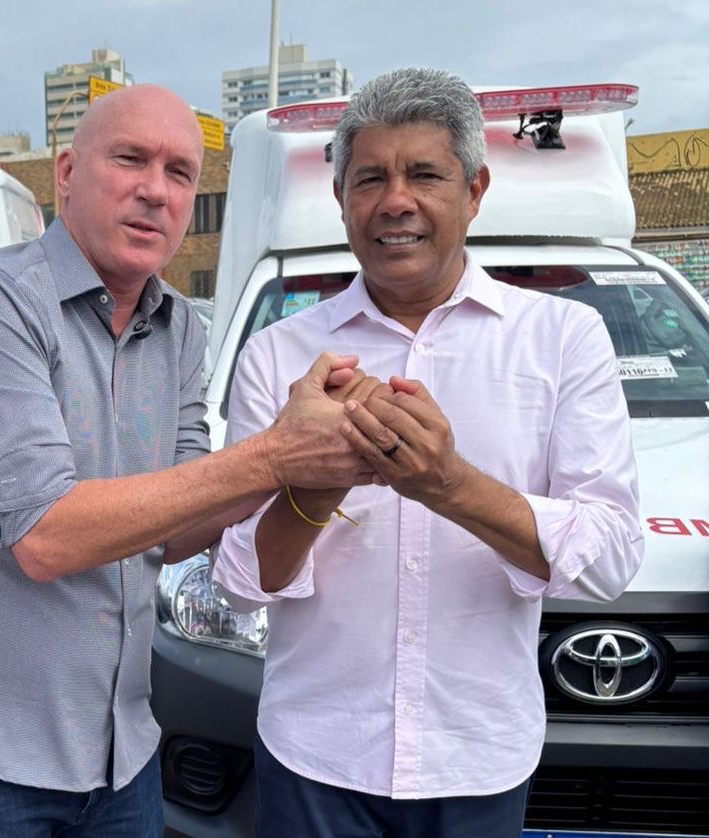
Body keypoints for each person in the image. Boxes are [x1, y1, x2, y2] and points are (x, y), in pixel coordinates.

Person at [0, 83, 373, 837]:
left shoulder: (181, 327)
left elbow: (181, 529)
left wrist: (320, 457)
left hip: (124, 754)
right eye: (130, 160)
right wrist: (277, 451)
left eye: (181, 172)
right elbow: (46, 536)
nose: (156, 191)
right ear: (65, 172)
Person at [212, 67, 645, 837]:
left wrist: (449, 486)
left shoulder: (563, 340)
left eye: (425, 174)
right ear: (341, 197)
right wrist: (316, 483)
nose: (396, 201)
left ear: (474, 191)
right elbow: (242, 584)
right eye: (370, 177)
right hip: (316, 754)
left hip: (477, 756)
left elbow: (611, 557)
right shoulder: (280, 359)